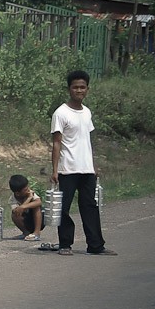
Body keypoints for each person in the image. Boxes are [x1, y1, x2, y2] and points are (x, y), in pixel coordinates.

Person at [50, 70, 117, 256]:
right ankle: (65, 244)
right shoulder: (61, 113)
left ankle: (96, 245)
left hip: (86, 168)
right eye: (75, 87)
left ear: (87, 89)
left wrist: (93, 166)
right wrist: (55, 170)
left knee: (90, 206)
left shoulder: (87, 112)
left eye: (82, 87)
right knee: (63, 207)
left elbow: (87, 141)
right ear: (69, 89)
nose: (79, 90)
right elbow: (56, 143)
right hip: (67, 168)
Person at [8, 174, 42, 241]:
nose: (28, 190)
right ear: (17, 193)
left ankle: (36, 233)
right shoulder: (13, 199)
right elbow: (16, 211)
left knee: (36, 206)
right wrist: (28, 200)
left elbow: (39, 202)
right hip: (24, 220)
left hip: (38, 220)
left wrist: (24, 206)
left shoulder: (31, 193)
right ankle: (26, 233)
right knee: (14, 214)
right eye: (25, 189)